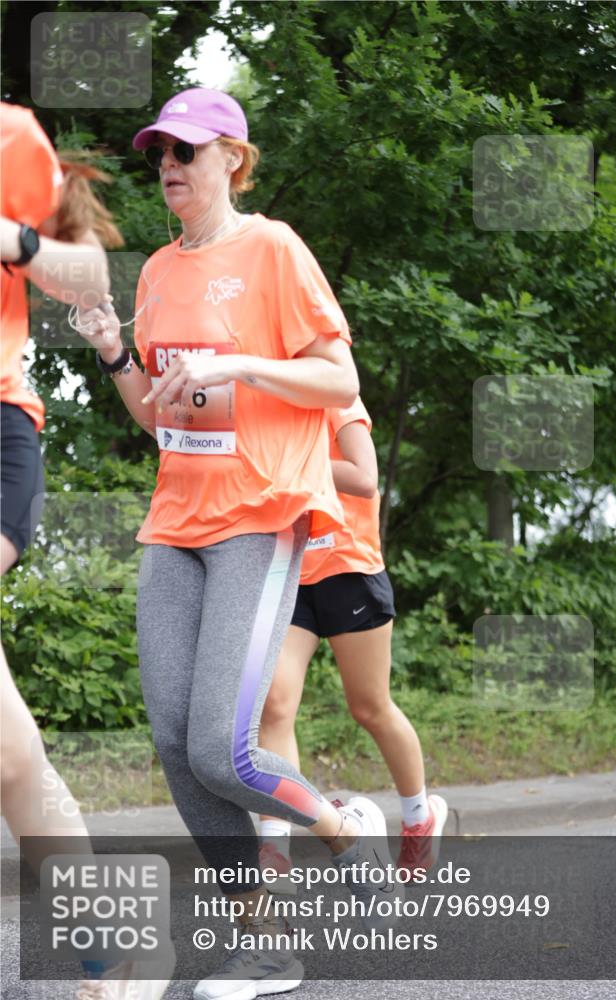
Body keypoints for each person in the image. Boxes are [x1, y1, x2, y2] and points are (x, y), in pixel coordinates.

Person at [75, 88, 404, 1000]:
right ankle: (264, 944)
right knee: (179, 746)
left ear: (233, 158)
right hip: (174, 521)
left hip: (260, 516)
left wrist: (239, 363)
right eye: (159, 154)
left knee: (225, 748)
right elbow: (158, 419)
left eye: (187, 150)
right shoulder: (153, 275)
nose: (170, 167)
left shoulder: (273, 248)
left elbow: (338, 377)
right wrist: (114, 352)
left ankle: (341, 828)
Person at [0, 102, 173, 1000]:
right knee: (10, 757)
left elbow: (89, 273)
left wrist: (10, 238)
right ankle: (118, 946)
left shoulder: (10, 138)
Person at [258, 397, 448, 884]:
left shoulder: (337, 401)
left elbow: (365, 479)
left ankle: (418, 818)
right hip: (289, 572)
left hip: (348, 569)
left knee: (369, 707)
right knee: (275, 705)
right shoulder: (262, 407)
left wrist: (291, 461)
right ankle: (275, 847)